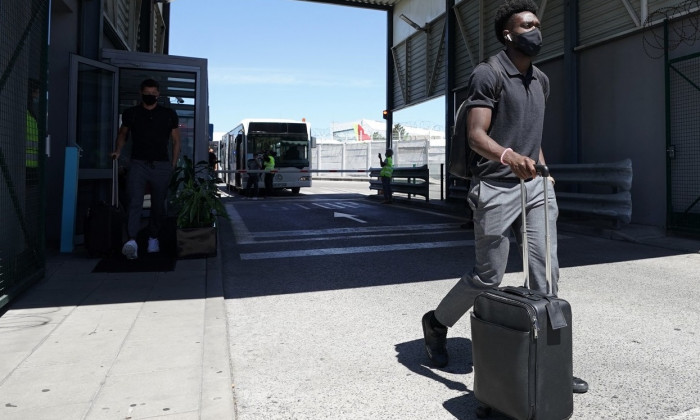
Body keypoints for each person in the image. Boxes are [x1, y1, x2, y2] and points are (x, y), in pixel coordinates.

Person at [421, 0, 588, 394]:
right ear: (508, 34)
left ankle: (551, 366)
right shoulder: (489, 73)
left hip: (535, 189)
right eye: (526, 25)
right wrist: (508, 157)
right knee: (488, 277)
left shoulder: (541, 81)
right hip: (495, 186)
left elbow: (533, 135)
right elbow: (477, 135)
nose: (535, 30)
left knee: (546, 276)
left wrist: (543, 174)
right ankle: (437, 323)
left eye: (537, 24)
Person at [111, 78, 181, 260]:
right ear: (141, 93)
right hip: (138, 163)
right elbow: (122, 134)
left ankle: (153, 237)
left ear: (158, 94)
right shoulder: (131, 113)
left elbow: (176, 141)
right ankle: (132, 240)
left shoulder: (168, 114)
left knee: (159, 205)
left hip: (161, 164)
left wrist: (173, 164)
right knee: (134, 201)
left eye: (153, 93)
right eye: (147, 93)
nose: (150, 96)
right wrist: (118, 151)